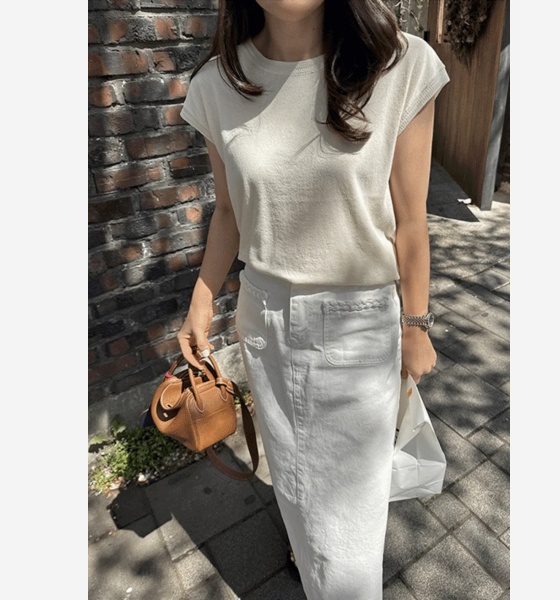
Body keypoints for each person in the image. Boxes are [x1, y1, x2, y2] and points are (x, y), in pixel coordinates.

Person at [177, 1, 449, 598]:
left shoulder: (399, 66)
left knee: (351, 534)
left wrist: (416, 325)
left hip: (357, 327)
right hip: (263, 318)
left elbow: (411, 221)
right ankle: (307, 555)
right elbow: (228, 212)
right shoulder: (217, 84)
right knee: (294, 482)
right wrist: (202, 299)